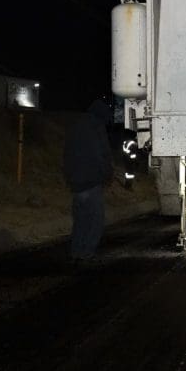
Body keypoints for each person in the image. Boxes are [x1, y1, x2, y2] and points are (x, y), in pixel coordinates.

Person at [62, 97, 114, 264]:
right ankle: (87, 252)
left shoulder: (76, 125)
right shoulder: (97, 127)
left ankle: (76, 251)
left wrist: (69, 177)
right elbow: (102, 155)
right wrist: (107, 174)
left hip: (76, 183)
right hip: (92, 182)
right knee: (95, 220)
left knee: (80, 220)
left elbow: (66, 153)